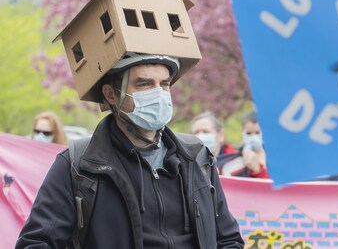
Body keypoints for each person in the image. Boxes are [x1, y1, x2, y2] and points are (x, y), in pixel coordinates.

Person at [16, 52, 244, 248]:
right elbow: (36, 243)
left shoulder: (197, 158)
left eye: (164, 84)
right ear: (111, 95)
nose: (159, 94)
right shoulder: (78, 165)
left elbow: (229, 239)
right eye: (144, 84)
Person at [218, 111, 269, 178]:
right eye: (249, 133)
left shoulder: (273, 155)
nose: (253, 137)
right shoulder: (235, 156)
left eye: (257, 133)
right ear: (242, 131)